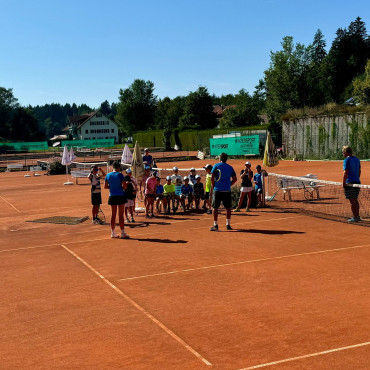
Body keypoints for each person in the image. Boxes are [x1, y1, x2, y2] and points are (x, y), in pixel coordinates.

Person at [210, 153, 237, 231]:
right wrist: (229, 185)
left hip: (217, 190)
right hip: (227, 190)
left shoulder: (216, 165)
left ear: (220, 158)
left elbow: (212, 177)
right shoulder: (230, 167)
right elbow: (235, 179)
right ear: (226, 159)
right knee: (228, 208)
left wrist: (213, 185)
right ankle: (228, 225)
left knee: (215, 207)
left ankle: (215, 225)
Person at [104, 161, 129, 239]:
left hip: (112, 196)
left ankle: (113, 232)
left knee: (113, 215)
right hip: (120, 195)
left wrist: (112, 187)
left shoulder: (108, 175)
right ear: (118, 168)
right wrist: (121, 187)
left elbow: (105, 187)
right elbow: (125, 187)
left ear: (112, 167)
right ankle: (122, 233)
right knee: (120, 215)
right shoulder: (120, 175)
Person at [342, 145, 361, 222]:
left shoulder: (346, 160)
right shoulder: (357, 159)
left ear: (346, 152)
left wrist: (343, 182)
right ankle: (357, 216)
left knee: (352, 201)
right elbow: (359, 171)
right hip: (357, 182)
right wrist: (356, 178)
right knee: (355, 200)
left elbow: (345, 172)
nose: (343, 153)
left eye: (343, 152)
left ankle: (355, 217)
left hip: (349, 183)